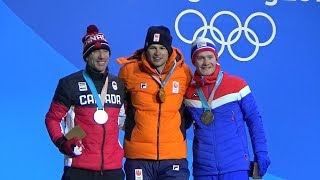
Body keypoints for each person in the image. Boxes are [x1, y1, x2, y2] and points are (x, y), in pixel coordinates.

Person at [45, 24, 126, 180]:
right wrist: (63, 142)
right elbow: (52, 119)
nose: (101, 56)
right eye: (95, 52)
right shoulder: (69, 84)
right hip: (78, 169)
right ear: (87, 56)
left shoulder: (119, 85)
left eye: (105, 51)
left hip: (113, 170)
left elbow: (123, 121)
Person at [183, 37, 271, 180]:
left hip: (235, 167)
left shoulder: (237, 85)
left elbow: (255, 121)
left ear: (216, 58)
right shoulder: (188, 94)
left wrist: (261, 153)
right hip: (204, 170)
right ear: (194, 61)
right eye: (200, 58)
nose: (206, 62)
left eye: (210, 57)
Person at [117, 25, 193, 180]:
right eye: (152, 47)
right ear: (146, 48)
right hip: (138, 156)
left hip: (174, 155)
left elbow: (192, 107)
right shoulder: (129, 71)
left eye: (162, 48)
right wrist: (132, 127)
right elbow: (115, 106)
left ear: (169, 50)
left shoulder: (183, 72)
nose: (157, 53)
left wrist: (178, 128)